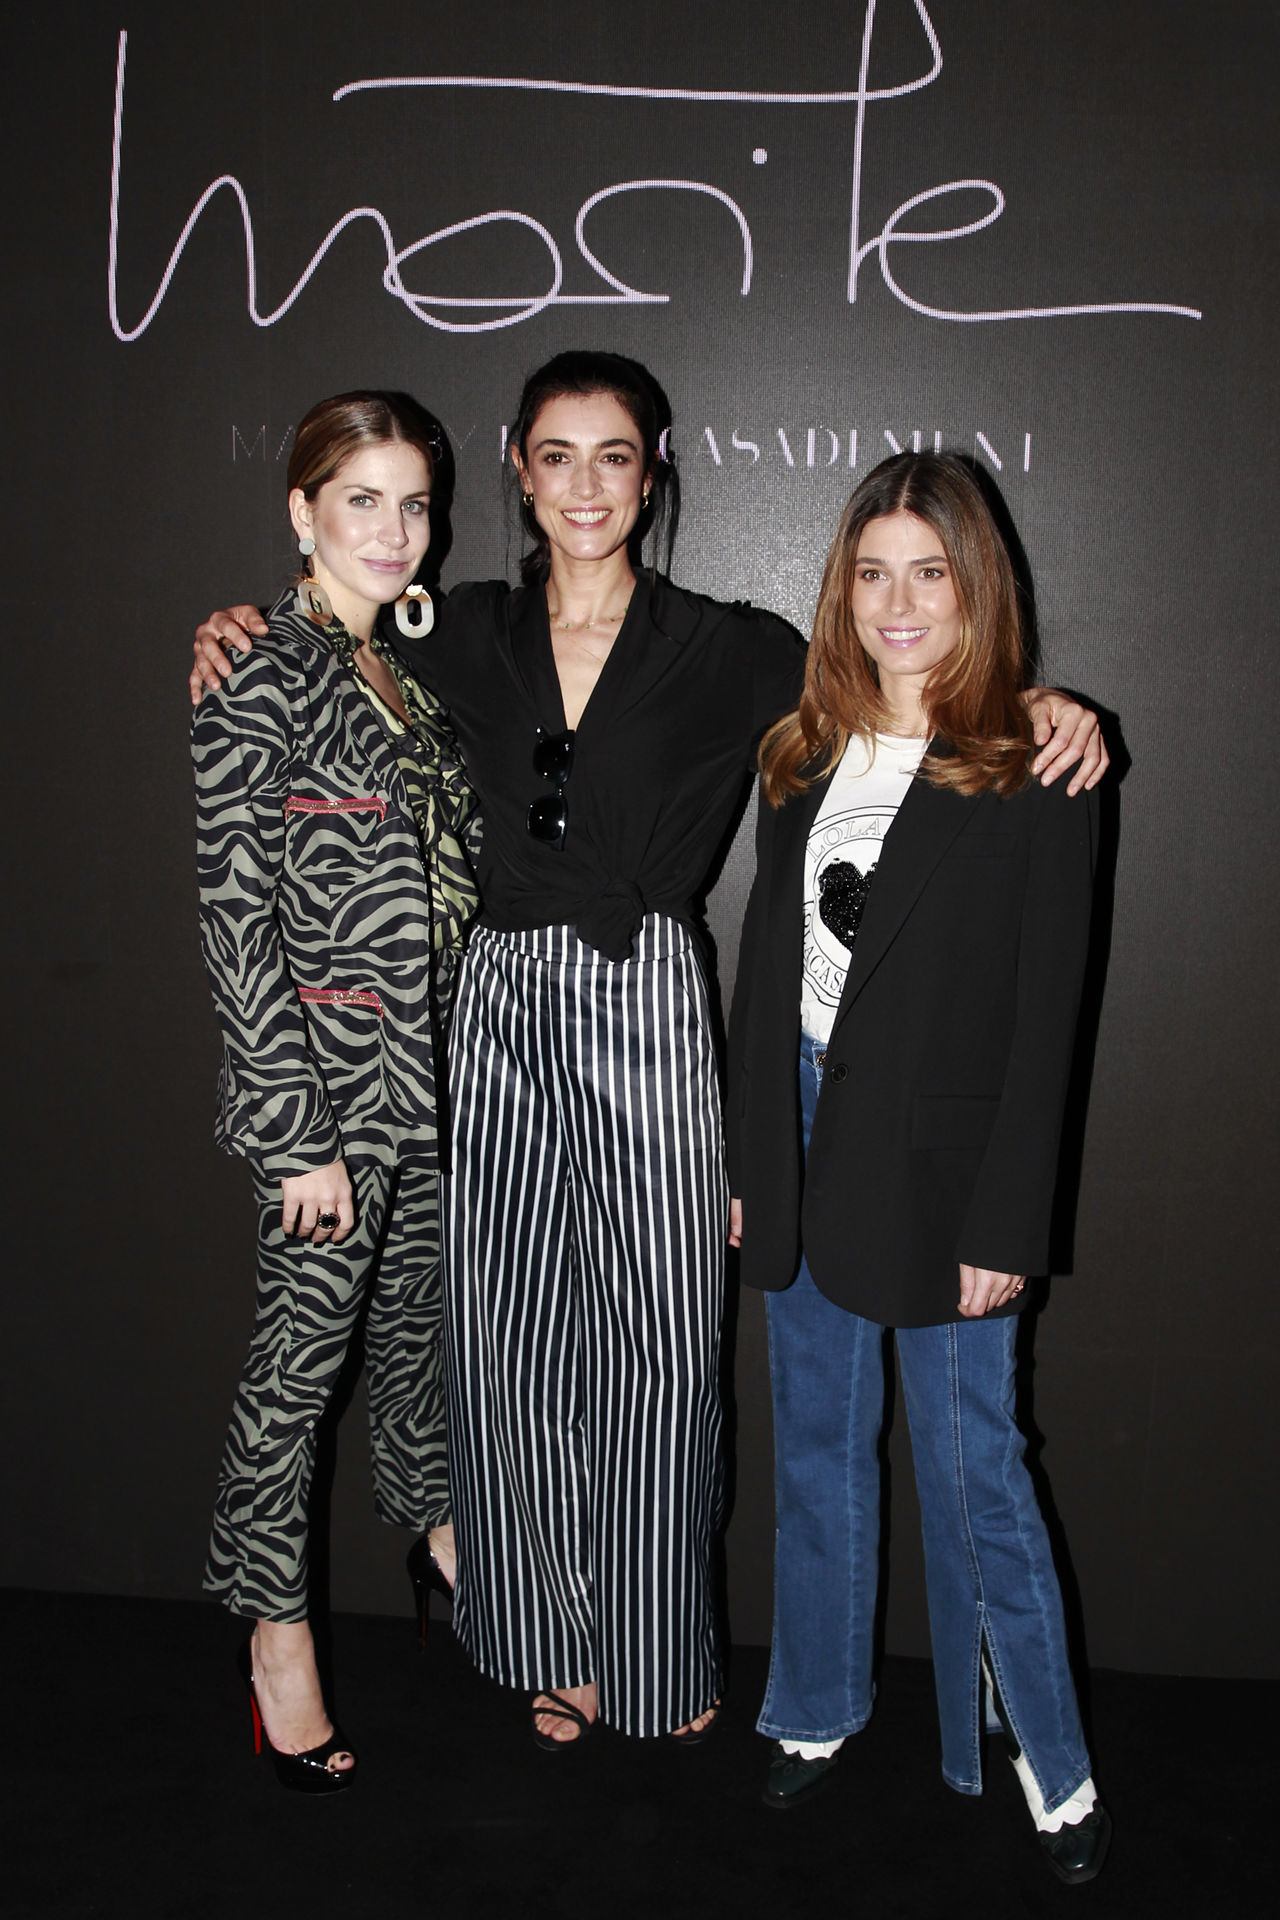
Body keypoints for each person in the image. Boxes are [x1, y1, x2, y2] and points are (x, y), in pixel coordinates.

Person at [190, 353, 1108, 1747]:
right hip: (490, 1006)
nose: (585, 486)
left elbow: (902, 675)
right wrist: (239, 623)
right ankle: (541, 1642)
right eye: (556, 455)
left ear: (652, 471)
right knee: (511, 1352)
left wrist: (1045, 705)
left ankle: (656, 1653)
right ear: (519, 471)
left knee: (664, 1354)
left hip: (653, 1008)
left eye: (613, 456)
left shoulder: (732, 646)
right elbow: (331, 635)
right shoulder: (455, 625)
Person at [726, 451, 1110, 1882]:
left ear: (975, 587)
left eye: (929, 574)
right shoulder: (799, 752)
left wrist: (1009, 1217)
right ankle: (815, 1708)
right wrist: (756, 1160)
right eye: (873, 573)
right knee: (816, 1452)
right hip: (804, 1135)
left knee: (975, 1469)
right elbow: (768, 972)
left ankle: (1046, 1761)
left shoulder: (1038, 762)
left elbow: (1050, 1016)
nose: (898, 604)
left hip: (948, 1173)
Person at [193, 391, 479, 1791]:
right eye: (363, 499)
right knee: (296, 1377)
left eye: (414, 503)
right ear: (302, 511)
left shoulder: (411, 680)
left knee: (419, 1346)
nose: (394, 530)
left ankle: (436, 1534)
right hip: (329, 1106)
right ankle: (274, 1635)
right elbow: (235, 916)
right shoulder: (259, 671)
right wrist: (292, 1131)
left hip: (438, 1090)